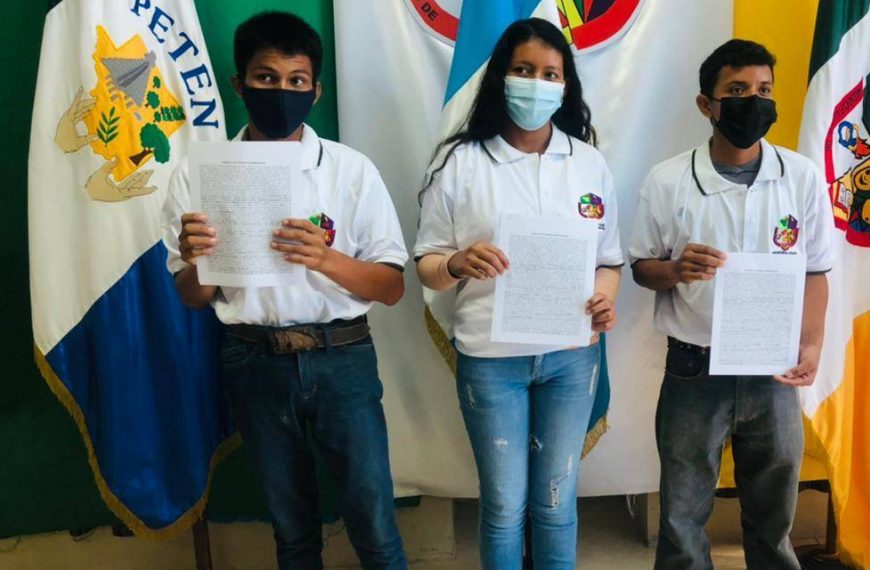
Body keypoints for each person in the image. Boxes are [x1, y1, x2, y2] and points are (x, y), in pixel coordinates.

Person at [161, 11, 408, 569]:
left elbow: (392, 286)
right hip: (254, 360)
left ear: (315, 90)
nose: (281, 91)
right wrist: (200, 260)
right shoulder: (198, 174)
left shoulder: (350, 170)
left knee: (373, 519)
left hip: (342, 355)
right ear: (240, 83)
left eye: (297, 80)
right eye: (266, 77)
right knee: (291, 526)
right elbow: (191, 296)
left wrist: (326, 259)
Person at [413, 17, 622, 570]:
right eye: (523, 70)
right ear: (500, 77)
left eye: (550, 74)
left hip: (572, 358)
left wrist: (605, 297)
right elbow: (427, 267)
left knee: (555, 501)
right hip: (490, 361)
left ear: (566, 85)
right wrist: (456, 263)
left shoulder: (589, 163)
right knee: (504, 505)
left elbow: (608, 259)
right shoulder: (460, 163)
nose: (537, 83)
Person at [626, 39, 835, 570]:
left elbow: (815, 272)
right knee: (682, 514)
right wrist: (676, 269)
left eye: (763, 90)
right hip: (694, 368)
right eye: (737, 90)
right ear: (707, 104)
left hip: (773, 369)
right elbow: (642, 267)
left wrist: (811, 345)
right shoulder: (668, 180)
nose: (753, 102)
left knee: (774, 514)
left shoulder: (801, 177)